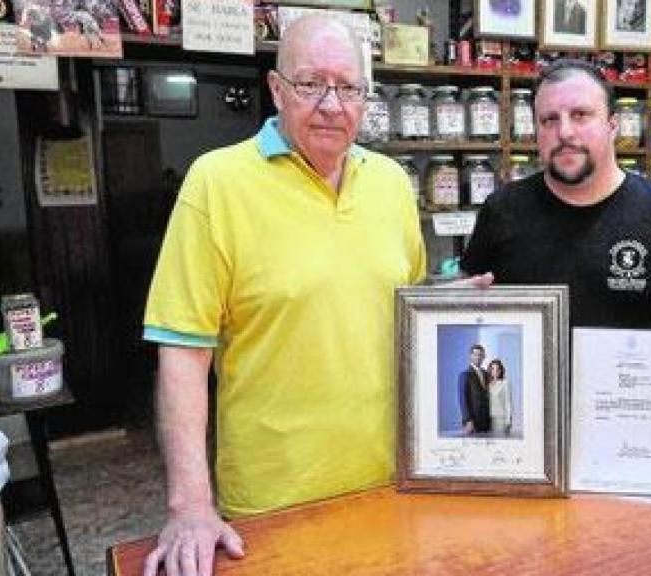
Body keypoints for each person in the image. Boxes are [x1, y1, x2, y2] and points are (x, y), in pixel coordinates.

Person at [140, 16, 426, 576]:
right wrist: (191, 506)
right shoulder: (215, 183)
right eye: (310, 83)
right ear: (275, 90)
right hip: (274, 504)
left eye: (348, 86)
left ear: (366, 98)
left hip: (392, 485)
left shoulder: (392, 182)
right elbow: (183, 351)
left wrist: (453, 308)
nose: (331, 103)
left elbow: (405, 315)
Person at [461, 59, 651, 456]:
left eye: (580, 115)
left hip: (633, 441)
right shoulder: (502, 212)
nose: (564, 132)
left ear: (613, 125)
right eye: (549, 120)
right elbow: (465, 314)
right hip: (524, 441)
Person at [458, 344, 492, 434]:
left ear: (484, 357)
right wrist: (468, 420)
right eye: (475, 354)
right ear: (471, 356)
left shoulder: (486, 374)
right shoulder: (465, 375)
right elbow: (463, 400)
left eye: (480, 355)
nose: (478, 357)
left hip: (486, 421)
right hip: (473, 421)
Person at [487, 359, 513, 436]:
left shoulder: (505, 383)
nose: (495, 371)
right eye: (493, 369)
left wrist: (508, 421)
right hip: (488, 419)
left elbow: (508, 402)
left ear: (501, 370)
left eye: (497, 369)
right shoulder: (488, 383)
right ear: (490, 370)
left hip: (500, 418)